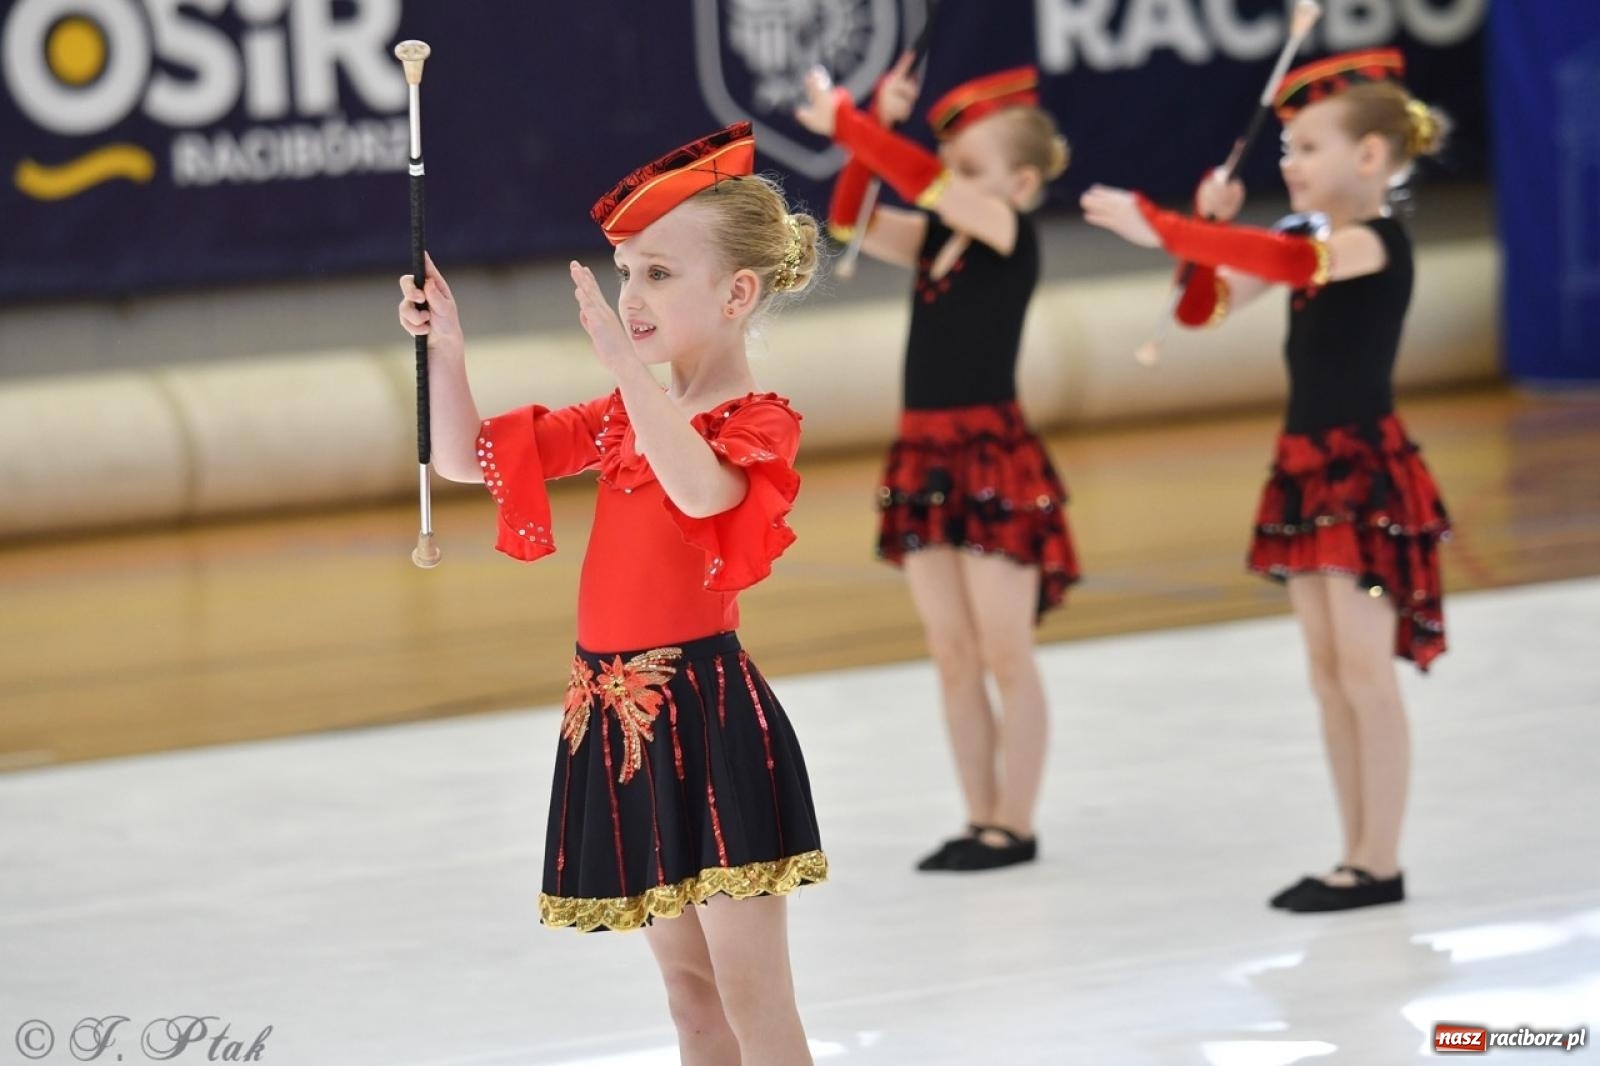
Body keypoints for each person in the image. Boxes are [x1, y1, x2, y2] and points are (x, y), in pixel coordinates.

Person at [398, 121, 826, 1062]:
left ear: (737, 293)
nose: (632, 296)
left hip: (707, 724)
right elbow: (468, 459)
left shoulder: (757, 421)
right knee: (689, 996)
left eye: (659, 275)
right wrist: (449, 347)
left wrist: (630, 374)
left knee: (754, 996)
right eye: (626, 272)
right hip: (618, 718)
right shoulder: (622, 417)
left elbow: (701, 490)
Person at [1080, 49, 1451, 912]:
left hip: (1361, 472)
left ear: (1367, 157)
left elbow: (1286, 268)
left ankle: (1379, 860)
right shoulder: (1300, 238)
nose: (1289, 162)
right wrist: (1200, 242)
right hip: (1306, 469)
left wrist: (1169, 226)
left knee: (1362, 668)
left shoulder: (1368, 242)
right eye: (1285, 147)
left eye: (1308, 146)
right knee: (1326, 669)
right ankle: (1352, 855)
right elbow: (1198, 311)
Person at [796, 58, 1078, 872]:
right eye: (951, 164)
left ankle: (1014, 824)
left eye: (973, 170)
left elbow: (915, 177)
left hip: (991, 456)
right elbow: (850, 218)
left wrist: (861, 124)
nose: (951, 178)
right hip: (923, 458)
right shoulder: (936, 242)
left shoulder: (1009, 233)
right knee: (952, 653)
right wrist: (868, 133)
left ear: (1022, 183)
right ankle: (977, 815)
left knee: (1003, 651)